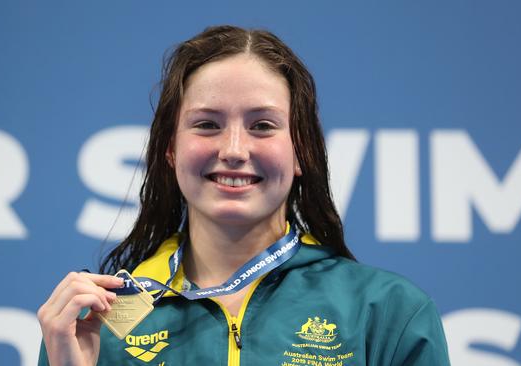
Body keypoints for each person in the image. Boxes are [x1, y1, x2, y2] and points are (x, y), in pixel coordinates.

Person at [37, 25, 450, 365]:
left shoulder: (384, 312)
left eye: (263, 125)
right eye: (206, 125)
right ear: (169, 149)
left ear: (302, 150)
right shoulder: (103, 321)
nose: (234, 149)